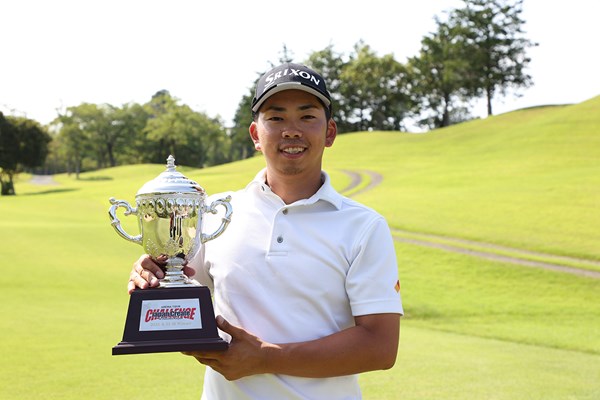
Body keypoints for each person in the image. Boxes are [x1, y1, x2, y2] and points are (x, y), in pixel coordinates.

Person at [129, 62, 404, 399]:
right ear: (256, 135)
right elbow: (180, 287)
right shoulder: (213, 212)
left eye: (307, 116)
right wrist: (152, 274)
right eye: (276, 117)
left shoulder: (364, 226)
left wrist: (266, 358)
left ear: (329, 132)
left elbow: (380, 346)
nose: (291, 130)